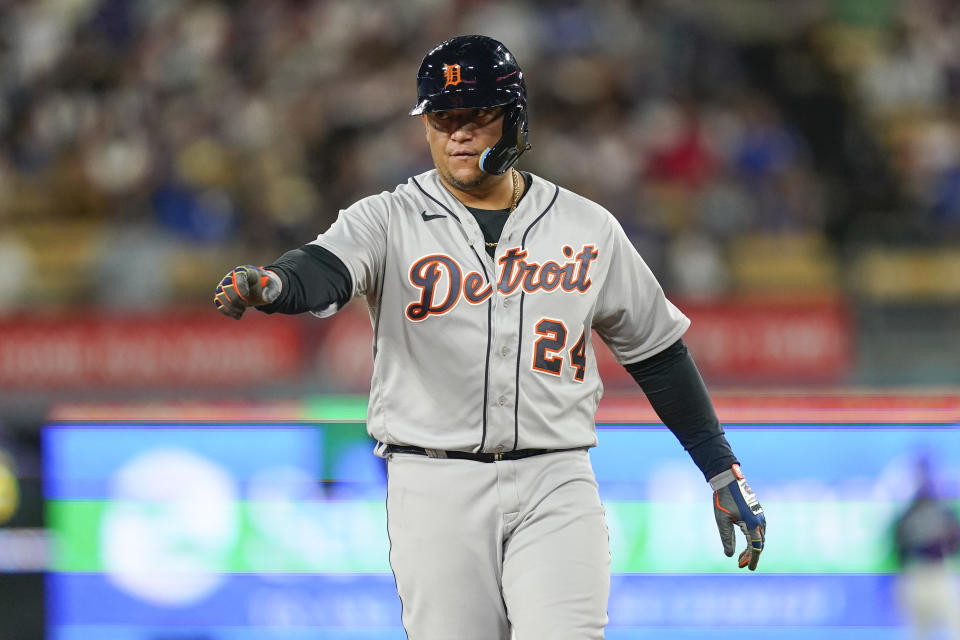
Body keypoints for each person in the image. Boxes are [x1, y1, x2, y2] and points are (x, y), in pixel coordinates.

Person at [214, 35, 765, 639]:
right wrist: (272, 284)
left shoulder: (587, 225)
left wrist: (720, 469)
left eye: (476, 116)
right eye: (443, 118)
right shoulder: (387, 218)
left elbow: (658, 353)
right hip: (433, 483)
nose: (457, 134)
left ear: (515, 119)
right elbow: (323, 270)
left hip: (556, 479)